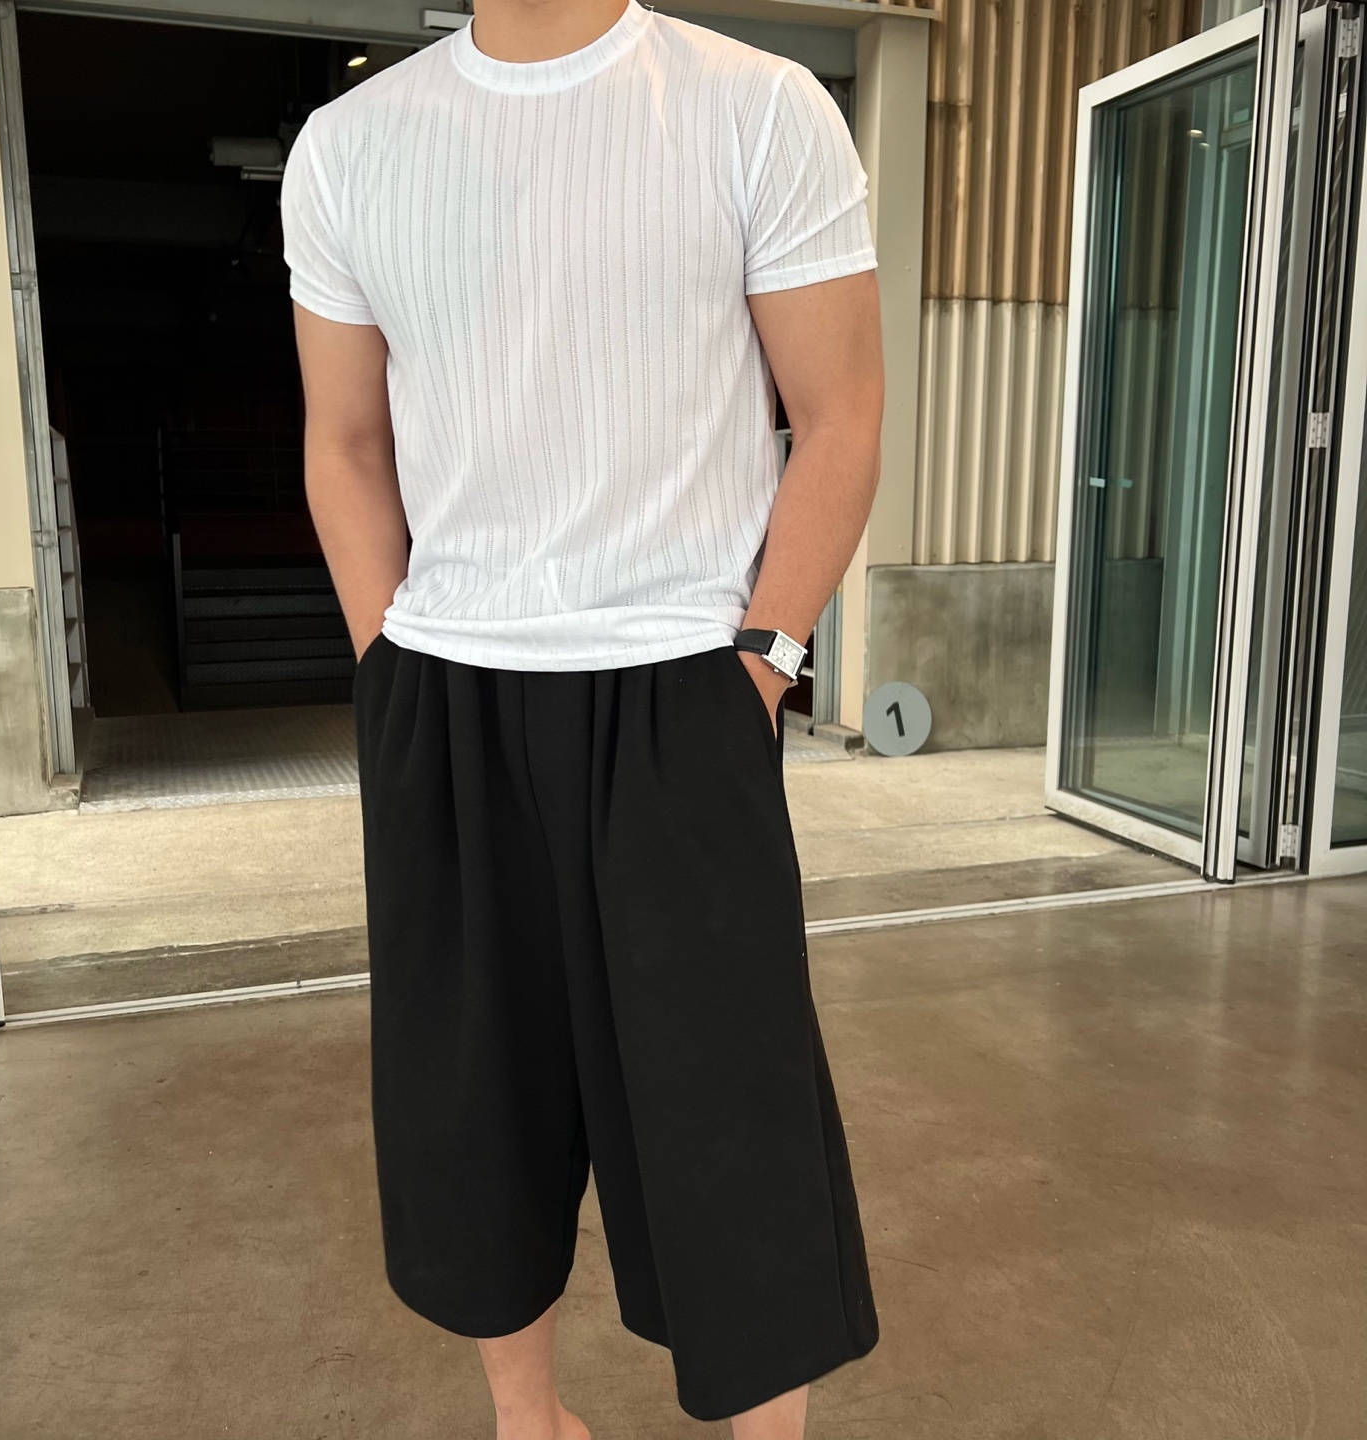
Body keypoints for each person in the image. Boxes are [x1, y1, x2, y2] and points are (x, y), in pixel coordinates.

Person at [281, 0, 885, 1433]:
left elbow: (841, 414)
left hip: (681, 685)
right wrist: (389, 671)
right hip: (447, 687)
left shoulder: (758, 107)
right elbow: (345, 439)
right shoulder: (350, 145)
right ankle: (530, 1421)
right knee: (472, 1104)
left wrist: (761, 664)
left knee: (730, 1113)